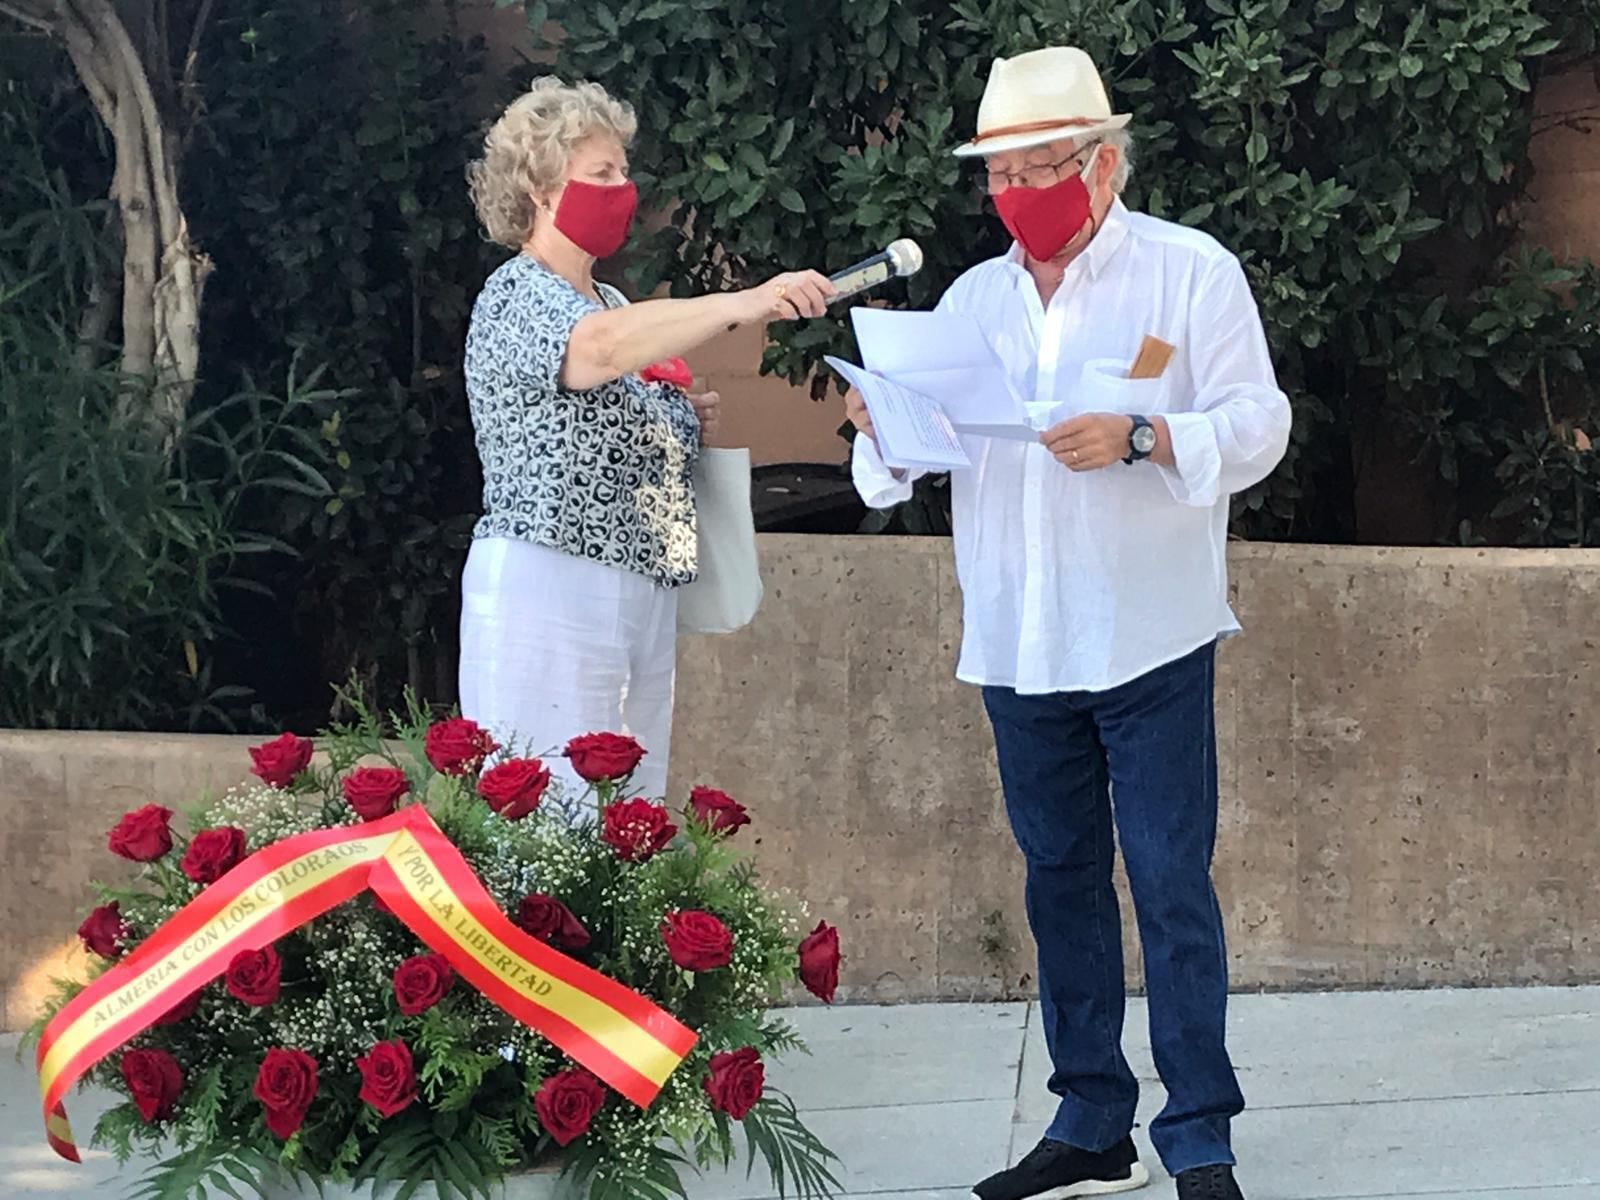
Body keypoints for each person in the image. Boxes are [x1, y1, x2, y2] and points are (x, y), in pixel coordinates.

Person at [847, 46, 1291, 1200]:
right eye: (996, 177)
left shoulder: (1188, 275)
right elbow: (893, 474)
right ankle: (1091, 1118)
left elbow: (1259, 420)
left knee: (1169, 883)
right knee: (1058, 882)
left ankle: (1199, 1133)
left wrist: (1144, 438)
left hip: (1148, 636)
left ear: (1101, 164)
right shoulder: (972, 301)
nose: (1015, 196)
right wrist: (878, 418)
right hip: (1017, 641)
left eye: (1036, 168)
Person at [461, 77, 832, 798]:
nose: (621, 188)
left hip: (640, 590)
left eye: (623, 172)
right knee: (548, 812)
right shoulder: (516, 294)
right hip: (552, 581)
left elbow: (617, 381)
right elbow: (596, 351)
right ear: (541, 189)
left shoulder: (614, 301)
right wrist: (744, 302)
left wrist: (688, 419)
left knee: (629, 818)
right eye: (601, 174)